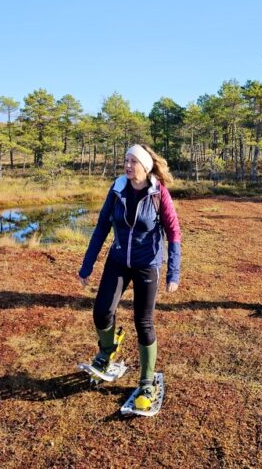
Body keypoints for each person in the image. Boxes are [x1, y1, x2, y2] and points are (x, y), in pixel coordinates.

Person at [78, 143, 181, 411]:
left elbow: (174, 233)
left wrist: (174, 272)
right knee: (101, 312)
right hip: (118, 260)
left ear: (145, 166)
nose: (127, 165)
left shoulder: (159, 194)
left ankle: (147, 380)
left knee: (143, 321)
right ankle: (106, 351)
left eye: (132, 161)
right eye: (125, 160)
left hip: (148, 264)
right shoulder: (117, 190)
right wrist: (87, 265)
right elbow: (101, 227)